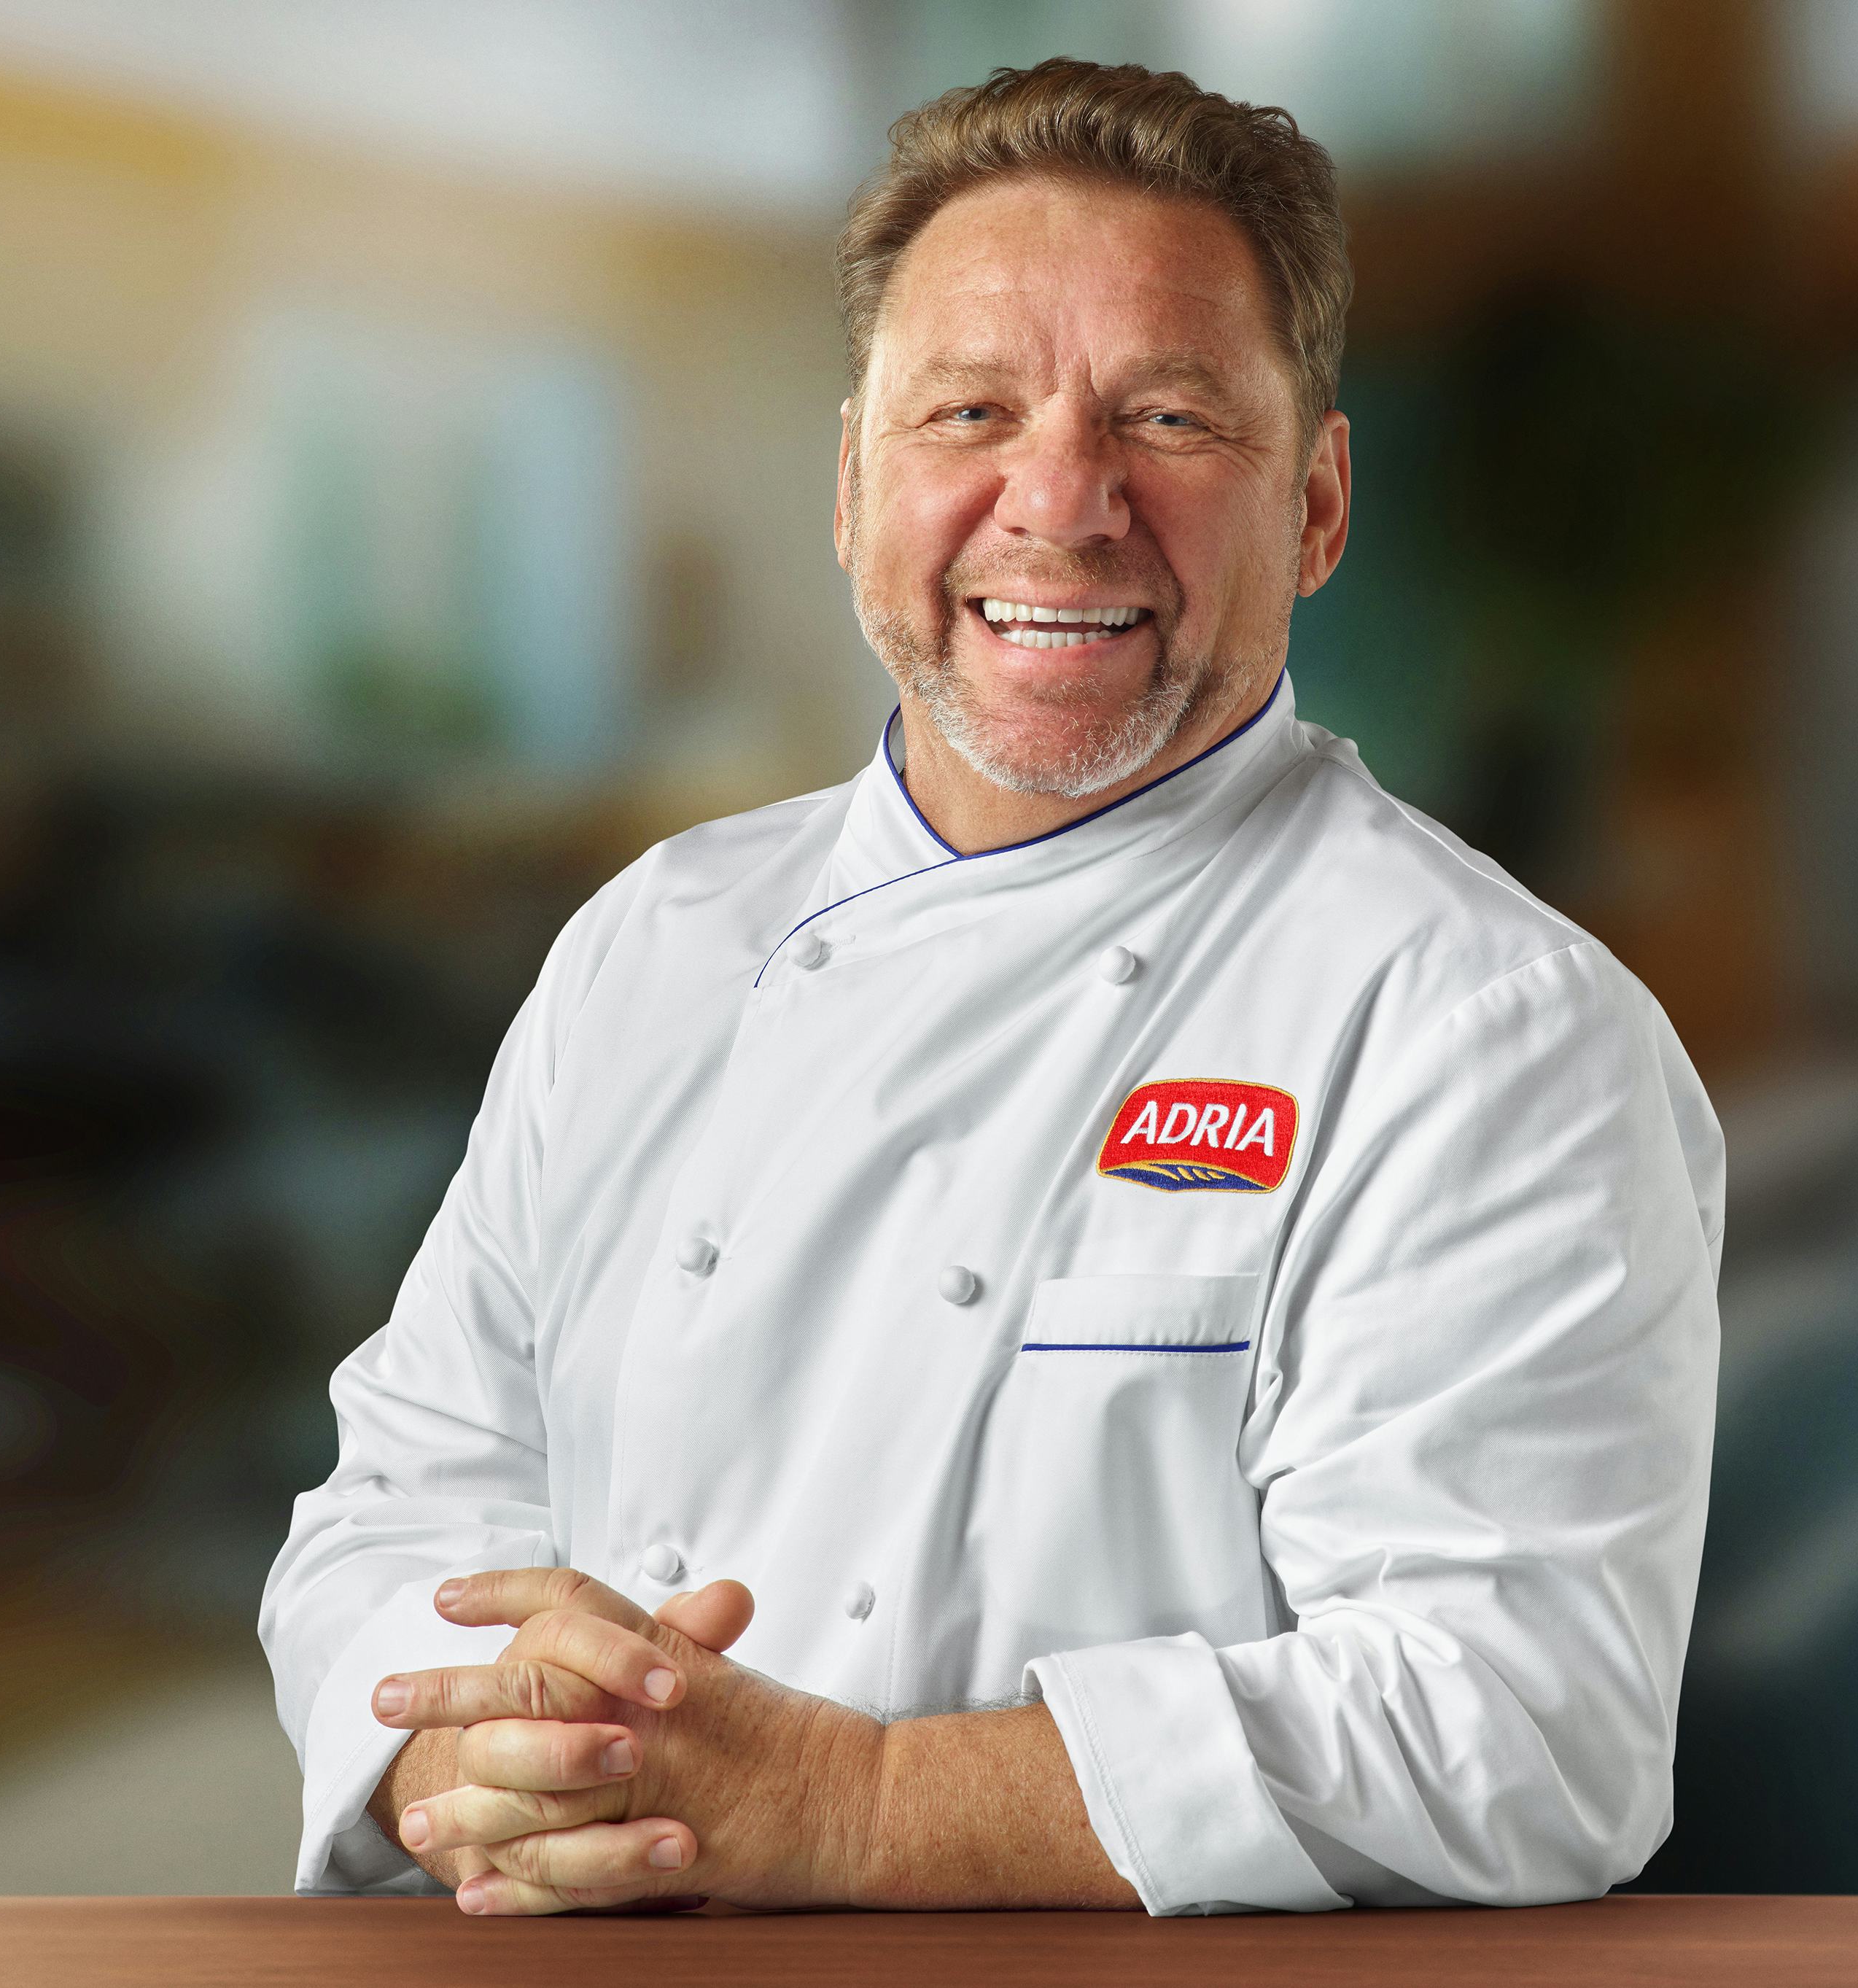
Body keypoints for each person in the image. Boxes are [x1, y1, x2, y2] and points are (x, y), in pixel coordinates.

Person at [258, 57, 1722, 1918]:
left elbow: (1523, 1721)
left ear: (1316, 503)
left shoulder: (1483, 1023)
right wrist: (463, 1756)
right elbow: (407, 1489)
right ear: (852, 482)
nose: (1062, 500)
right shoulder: (655, 937)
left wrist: (860, 1804)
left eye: (1168, 417)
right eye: (970, 410)